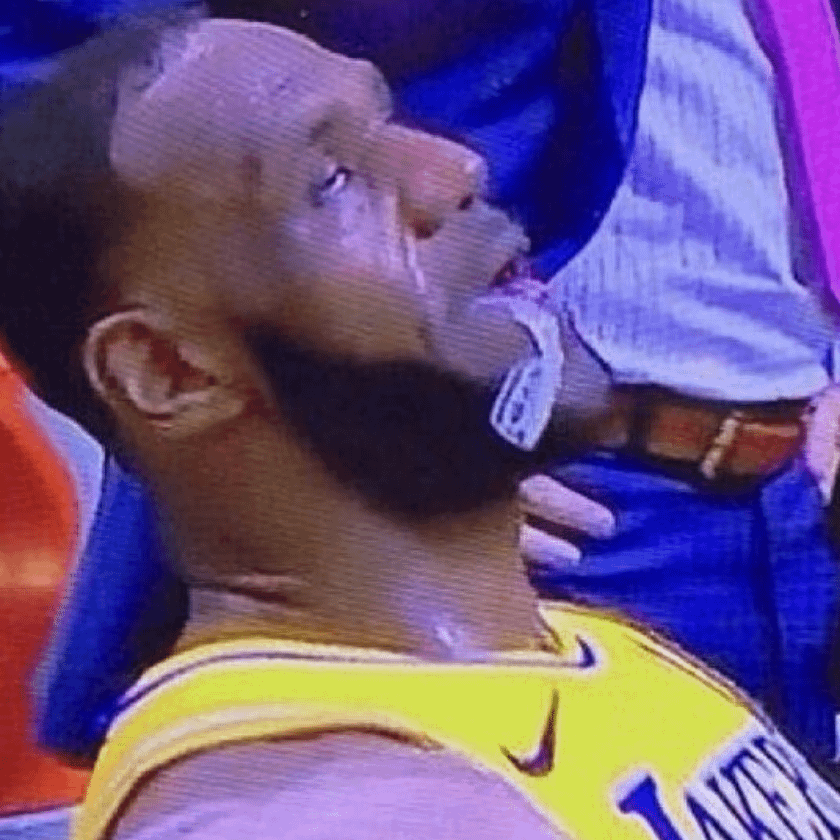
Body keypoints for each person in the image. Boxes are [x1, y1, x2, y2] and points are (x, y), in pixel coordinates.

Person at [5, 12, 840, 839]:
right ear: (171, 370)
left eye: (394, 120)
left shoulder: (591, 658)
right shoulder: (308, 810)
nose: (457, 169)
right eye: (332, 179)